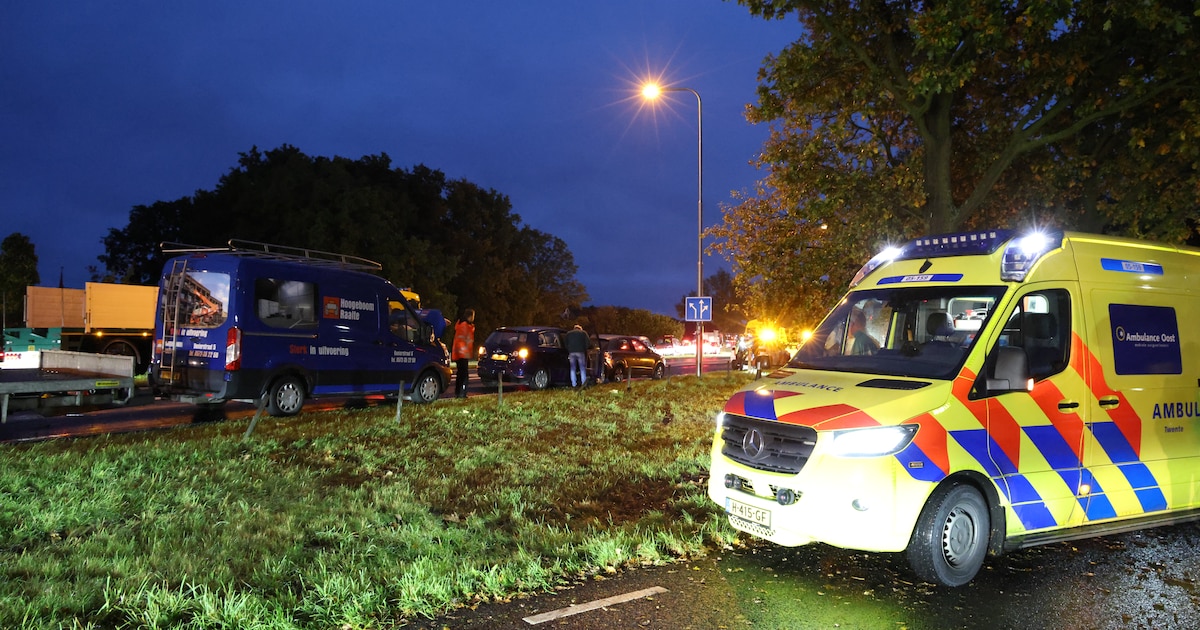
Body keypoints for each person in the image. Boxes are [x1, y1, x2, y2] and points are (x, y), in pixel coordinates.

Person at [451, 308, 475, 398]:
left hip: (459, 353)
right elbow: (466, 340)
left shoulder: (460, 324)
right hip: (463, 354)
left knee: (460, 374)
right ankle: (462, 393)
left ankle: (458, 393)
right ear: (470, 316)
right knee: (464, 375)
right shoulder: (465, 326)